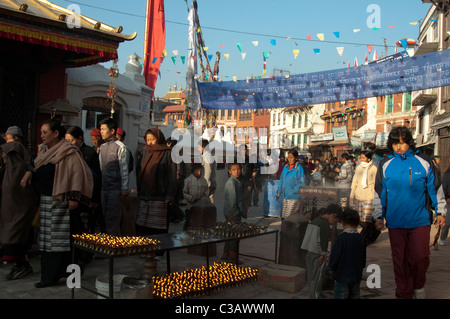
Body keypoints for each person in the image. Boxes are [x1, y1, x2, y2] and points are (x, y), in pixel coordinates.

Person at [373, 126, 447, 299]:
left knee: (420, 258)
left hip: (420, 220)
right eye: (395, 143)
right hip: (395, 221)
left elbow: (435, 189)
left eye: (403, 143)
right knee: (399, 260)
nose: (399, 147)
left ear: (409, 143)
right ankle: (403, 293)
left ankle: (418, 285)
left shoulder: (423, 161)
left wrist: (441, 211)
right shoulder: (386, 163)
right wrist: (378, 215)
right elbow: (379, 192)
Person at [23, 119, 93, 288]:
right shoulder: (46, 152)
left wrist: (74, 198)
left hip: (63, 203)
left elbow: (78, 174)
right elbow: (37, 168)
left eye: (45, 132)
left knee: (64, 243)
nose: (42, 136)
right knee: (48, 243)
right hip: (47, 202)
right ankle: (50, 276)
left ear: (56, 133)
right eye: (41, 133)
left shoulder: (69, 151)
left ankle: (72, 275)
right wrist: (28, 173)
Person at [0, 140, 38, 280]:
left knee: (14, 240)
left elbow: (23, 193)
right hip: (10, 213)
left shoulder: (20, 170)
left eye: (5, 153)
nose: (3, 156)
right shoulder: (8, 169)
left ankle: (21, 267)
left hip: (19, 213)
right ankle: (21, 266)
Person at [135, 128, 177, 237]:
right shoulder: (144, 152)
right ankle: (146, 249)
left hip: (160, 196)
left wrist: (170, 195)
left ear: (158, 139)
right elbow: (139, 172)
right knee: (143, 225)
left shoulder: (168, 153)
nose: (149, 143)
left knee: (158, 226)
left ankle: (158, 251)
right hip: (145, 195)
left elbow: (172, 176)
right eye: (147, 140)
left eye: (152, 140)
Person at [65, 126, 102, 234]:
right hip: (71, 196)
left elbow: (96, 177)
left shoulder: (89, 153)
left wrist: (95, 199)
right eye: (66, 141)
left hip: (86, 198)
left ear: (79, 138)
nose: (69, 143)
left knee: (85, 228)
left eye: (71, 140)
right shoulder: (67, 153)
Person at [301, 203, 340, 299]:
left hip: (308, 252)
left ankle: (313, 293)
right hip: (318, 254)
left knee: (311, 276)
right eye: (335, 220)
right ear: (333, 215)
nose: (334, 223)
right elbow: (324, 241)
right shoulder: (325, 224)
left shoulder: (315, 220)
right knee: (317, 278)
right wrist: (323, 255)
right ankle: (314, 296)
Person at [99, 118, 129, 236]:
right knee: (104, 216)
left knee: (113, 217)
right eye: (101, 129)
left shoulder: (120, 146)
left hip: (115, 189)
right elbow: (102, 168)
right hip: (104, 187)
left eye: (103, 129)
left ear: (112, 131)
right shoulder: (102, 147)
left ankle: (112, 246)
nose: (101, 132)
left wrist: (124, 188)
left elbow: (124, 169)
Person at [328, 208, 366, 299]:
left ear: (343, 223)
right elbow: (363, 256)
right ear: (357, 224)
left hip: (342, 275)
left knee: (340, 295)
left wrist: (331, 267)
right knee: (354, 295)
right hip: (356, 274)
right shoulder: (361, 238)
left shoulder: (341, 238)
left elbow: (335, 256)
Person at [350, 149, 379, 245]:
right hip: (359, 195)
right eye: (360, 157)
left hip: (369, 196)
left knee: (367, 219)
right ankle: (370, 234)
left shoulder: (374, 169)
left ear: (368, 159)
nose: (361, 159)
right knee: (361, 220)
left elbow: (376, 183)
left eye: (363, 158)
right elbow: (355, 182)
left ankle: (363, 239)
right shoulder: (358, 168)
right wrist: (352, 195)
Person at [222, 163, 246, 262]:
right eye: (234, 170)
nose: (237, 171)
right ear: (230, 171)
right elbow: (233, 202)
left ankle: (225, 254)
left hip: (232, 212)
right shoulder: (232, 183)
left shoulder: (236, 182)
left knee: (230, 234)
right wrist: (237, 213)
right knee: (234, 236)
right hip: (233, 214)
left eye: (238, 169)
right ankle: (232, 257)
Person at [276, 150, 305, 220]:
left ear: (296, 158)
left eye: (291, 157)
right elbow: (281, 180)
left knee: (290, 219)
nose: (290, 159)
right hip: (285, 197)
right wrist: (279, 192)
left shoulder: (299, 168)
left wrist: (294, 190)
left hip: (294, 197)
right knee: (283, 217)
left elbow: (302, 183)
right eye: (288, 157)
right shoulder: (285, 167)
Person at [182, 163, 209, 230]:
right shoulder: (188, 180)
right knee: (189, 223)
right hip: (190, 207)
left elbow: (207, 192)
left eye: (201, 170)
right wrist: (193, 199)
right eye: (197, 170)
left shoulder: (204, 181)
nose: (199, 172)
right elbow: (184, 193)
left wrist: (202, 199)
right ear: (193, 171)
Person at [198, 139, 217, 204]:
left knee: (205, 203)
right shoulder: (211, 155)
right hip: (212, 182)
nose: (198, 149)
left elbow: (208, 171)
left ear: (203, 147)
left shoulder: (206, 156)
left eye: (199, 147)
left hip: (207, 184)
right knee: (210, 200)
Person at [439, 162, 450, 246]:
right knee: (447, 223)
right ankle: (442, 238)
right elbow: (443, 187)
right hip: (449, 201)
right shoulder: (448, 174)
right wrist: (446, 197)